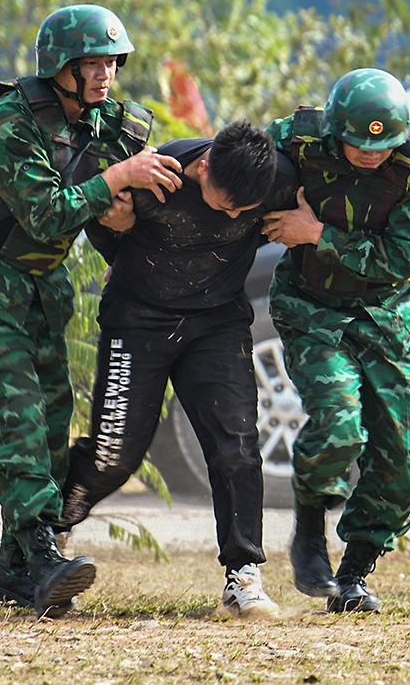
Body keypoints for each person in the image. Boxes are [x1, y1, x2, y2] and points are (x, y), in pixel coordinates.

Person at [0, 4, 182, 614]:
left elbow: (108, 220)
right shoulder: (13, 119)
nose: (104, 75)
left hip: (42, 290)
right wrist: (115, 180)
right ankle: (44, 555)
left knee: (49, 426)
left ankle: (15, 573)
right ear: (61, 68)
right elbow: (44, 212)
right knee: (19, 418)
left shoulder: (112, 130)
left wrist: (121, 214)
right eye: (90, 63)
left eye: (110, 62)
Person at [55, 120, 292, 620]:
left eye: (241, 211)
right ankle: (50, 535)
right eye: (222, 202)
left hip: (216, 323)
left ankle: (243, 576)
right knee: (114, 455)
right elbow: (96, 211)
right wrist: (114, 229)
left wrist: (308, 221)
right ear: (202, 166)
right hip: (138, 319)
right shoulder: (156, 175)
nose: (232, 214)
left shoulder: (275, 178)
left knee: (238, 448)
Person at [265, 68, 410, 613]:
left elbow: (399, 260)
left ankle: (356, 571)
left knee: (403, 455)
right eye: (358, 145)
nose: (371, 155)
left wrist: (317, 233)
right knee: (340, 425)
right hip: (315, 309)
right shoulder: (294, 139)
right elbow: (226, 165)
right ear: (334, 131)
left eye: (382, 146)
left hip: (393, 314)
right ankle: (310, 528)